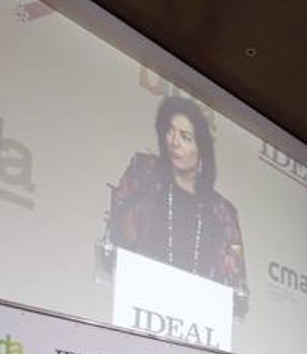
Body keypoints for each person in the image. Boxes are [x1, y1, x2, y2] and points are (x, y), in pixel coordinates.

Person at [107, 95, 250, 318]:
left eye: (185, 137)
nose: (174, 141)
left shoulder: (222, 213)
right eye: (170, 131)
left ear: (202, 150)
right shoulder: (142, 175)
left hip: (198, 326)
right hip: (138, 310)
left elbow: (238, 295)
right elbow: (114, 242)